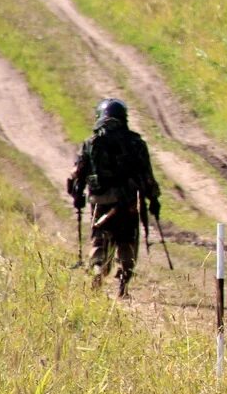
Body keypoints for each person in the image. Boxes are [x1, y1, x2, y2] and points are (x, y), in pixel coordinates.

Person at [67, 99, 162, 298]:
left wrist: (77, 195)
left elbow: (76, 175)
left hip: (100, 202)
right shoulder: (136, 143)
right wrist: (153, 199)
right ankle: (123, 285)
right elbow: (147, 175)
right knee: (127, 241)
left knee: (99, 241)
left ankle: (96, 273)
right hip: (128, 203)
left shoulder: (91, 143)